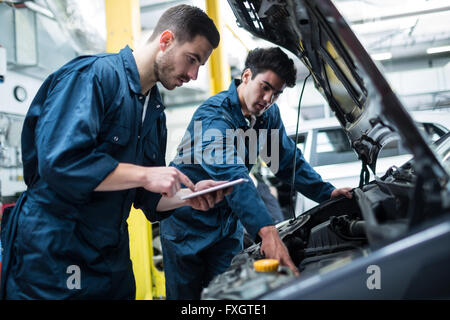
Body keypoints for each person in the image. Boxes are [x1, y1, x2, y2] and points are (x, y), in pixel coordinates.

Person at [0, 4, 230, 300]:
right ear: (166, 40)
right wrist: (146, 175)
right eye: (192, 59)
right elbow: (60, 163)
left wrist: (189, 197)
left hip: (108, 253)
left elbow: (146, 199)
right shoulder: (94, 76)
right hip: (56, 249)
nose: (194, 75)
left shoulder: (154, 111)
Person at [160, 47, 353, 299]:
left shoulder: (267, 115)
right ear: (247, 76)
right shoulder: (213, 118)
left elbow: (286, 161)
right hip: (187, 226)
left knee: (230, 295)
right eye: (265, 87)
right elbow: (232, 176)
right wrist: (267, 232)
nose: (268, 99)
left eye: (276, 93)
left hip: (226, 225)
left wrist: (326, 192)